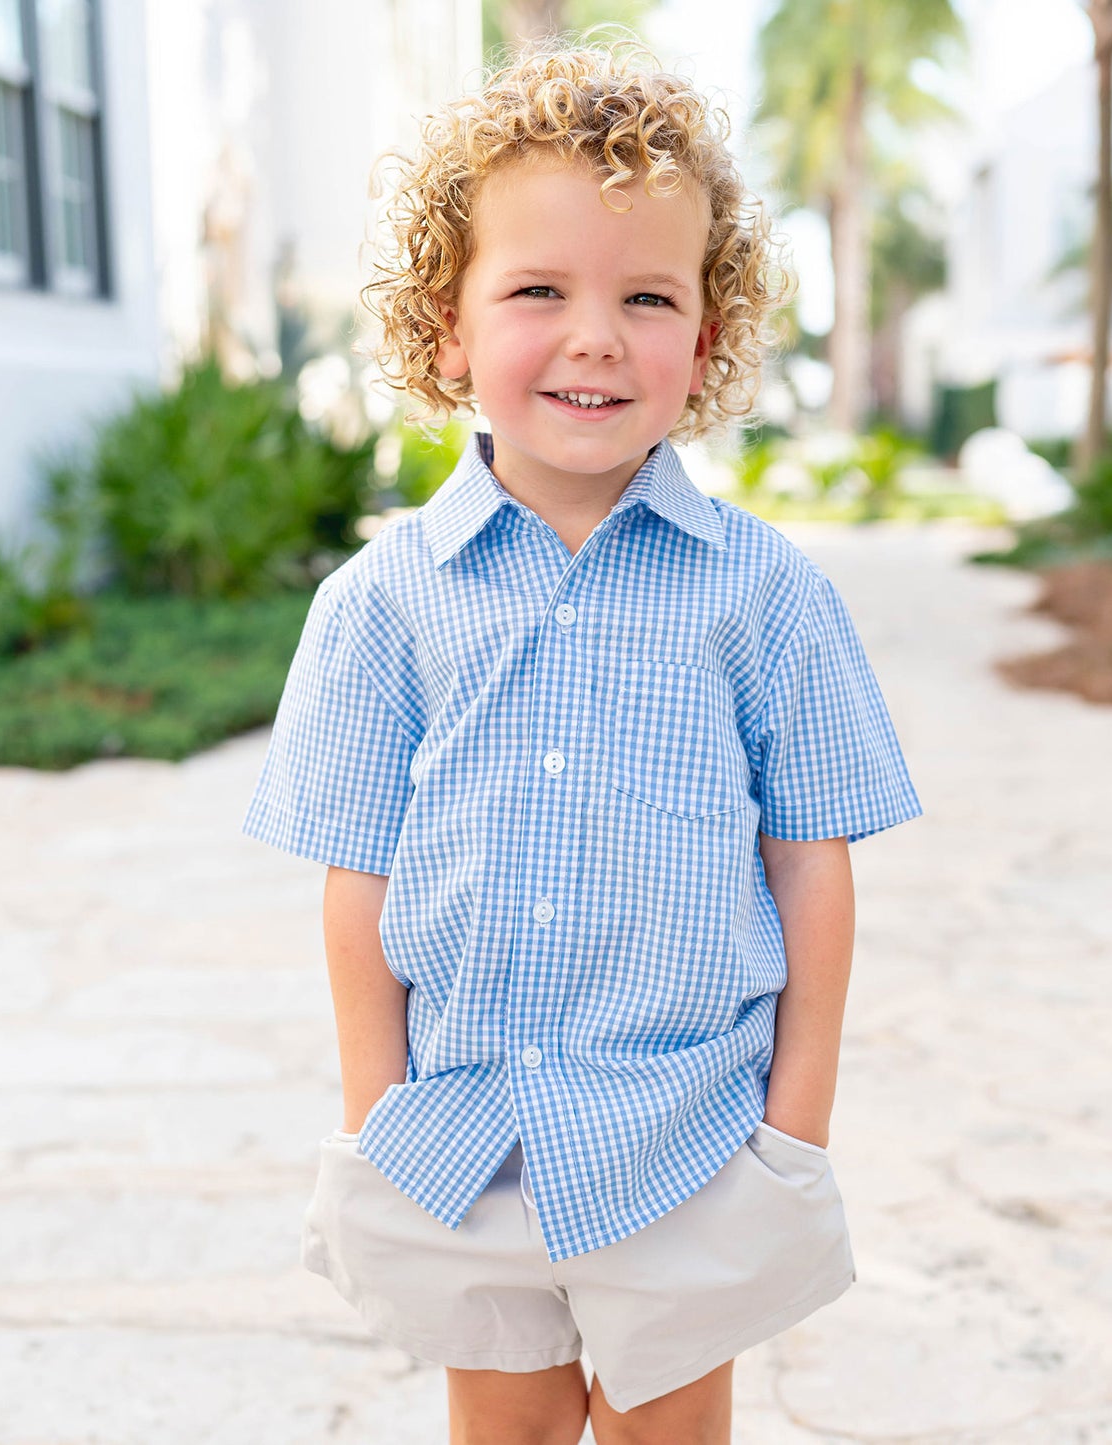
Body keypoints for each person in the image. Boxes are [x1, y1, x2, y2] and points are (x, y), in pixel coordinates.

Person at [242, 36, 923, 1445]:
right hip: (467, 1141)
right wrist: (381, 1117)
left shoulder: (766, 596)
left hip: (685, 1134)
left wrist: (790, 1133)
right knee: (505, 1430)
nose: (595, 334)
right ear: (448, 328)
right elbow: (355, 876)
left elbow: (810, 865)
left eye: (647, 296)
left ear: (709, 338)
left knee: (671, 1434)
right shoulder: (380, 605)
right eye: (537, 289)